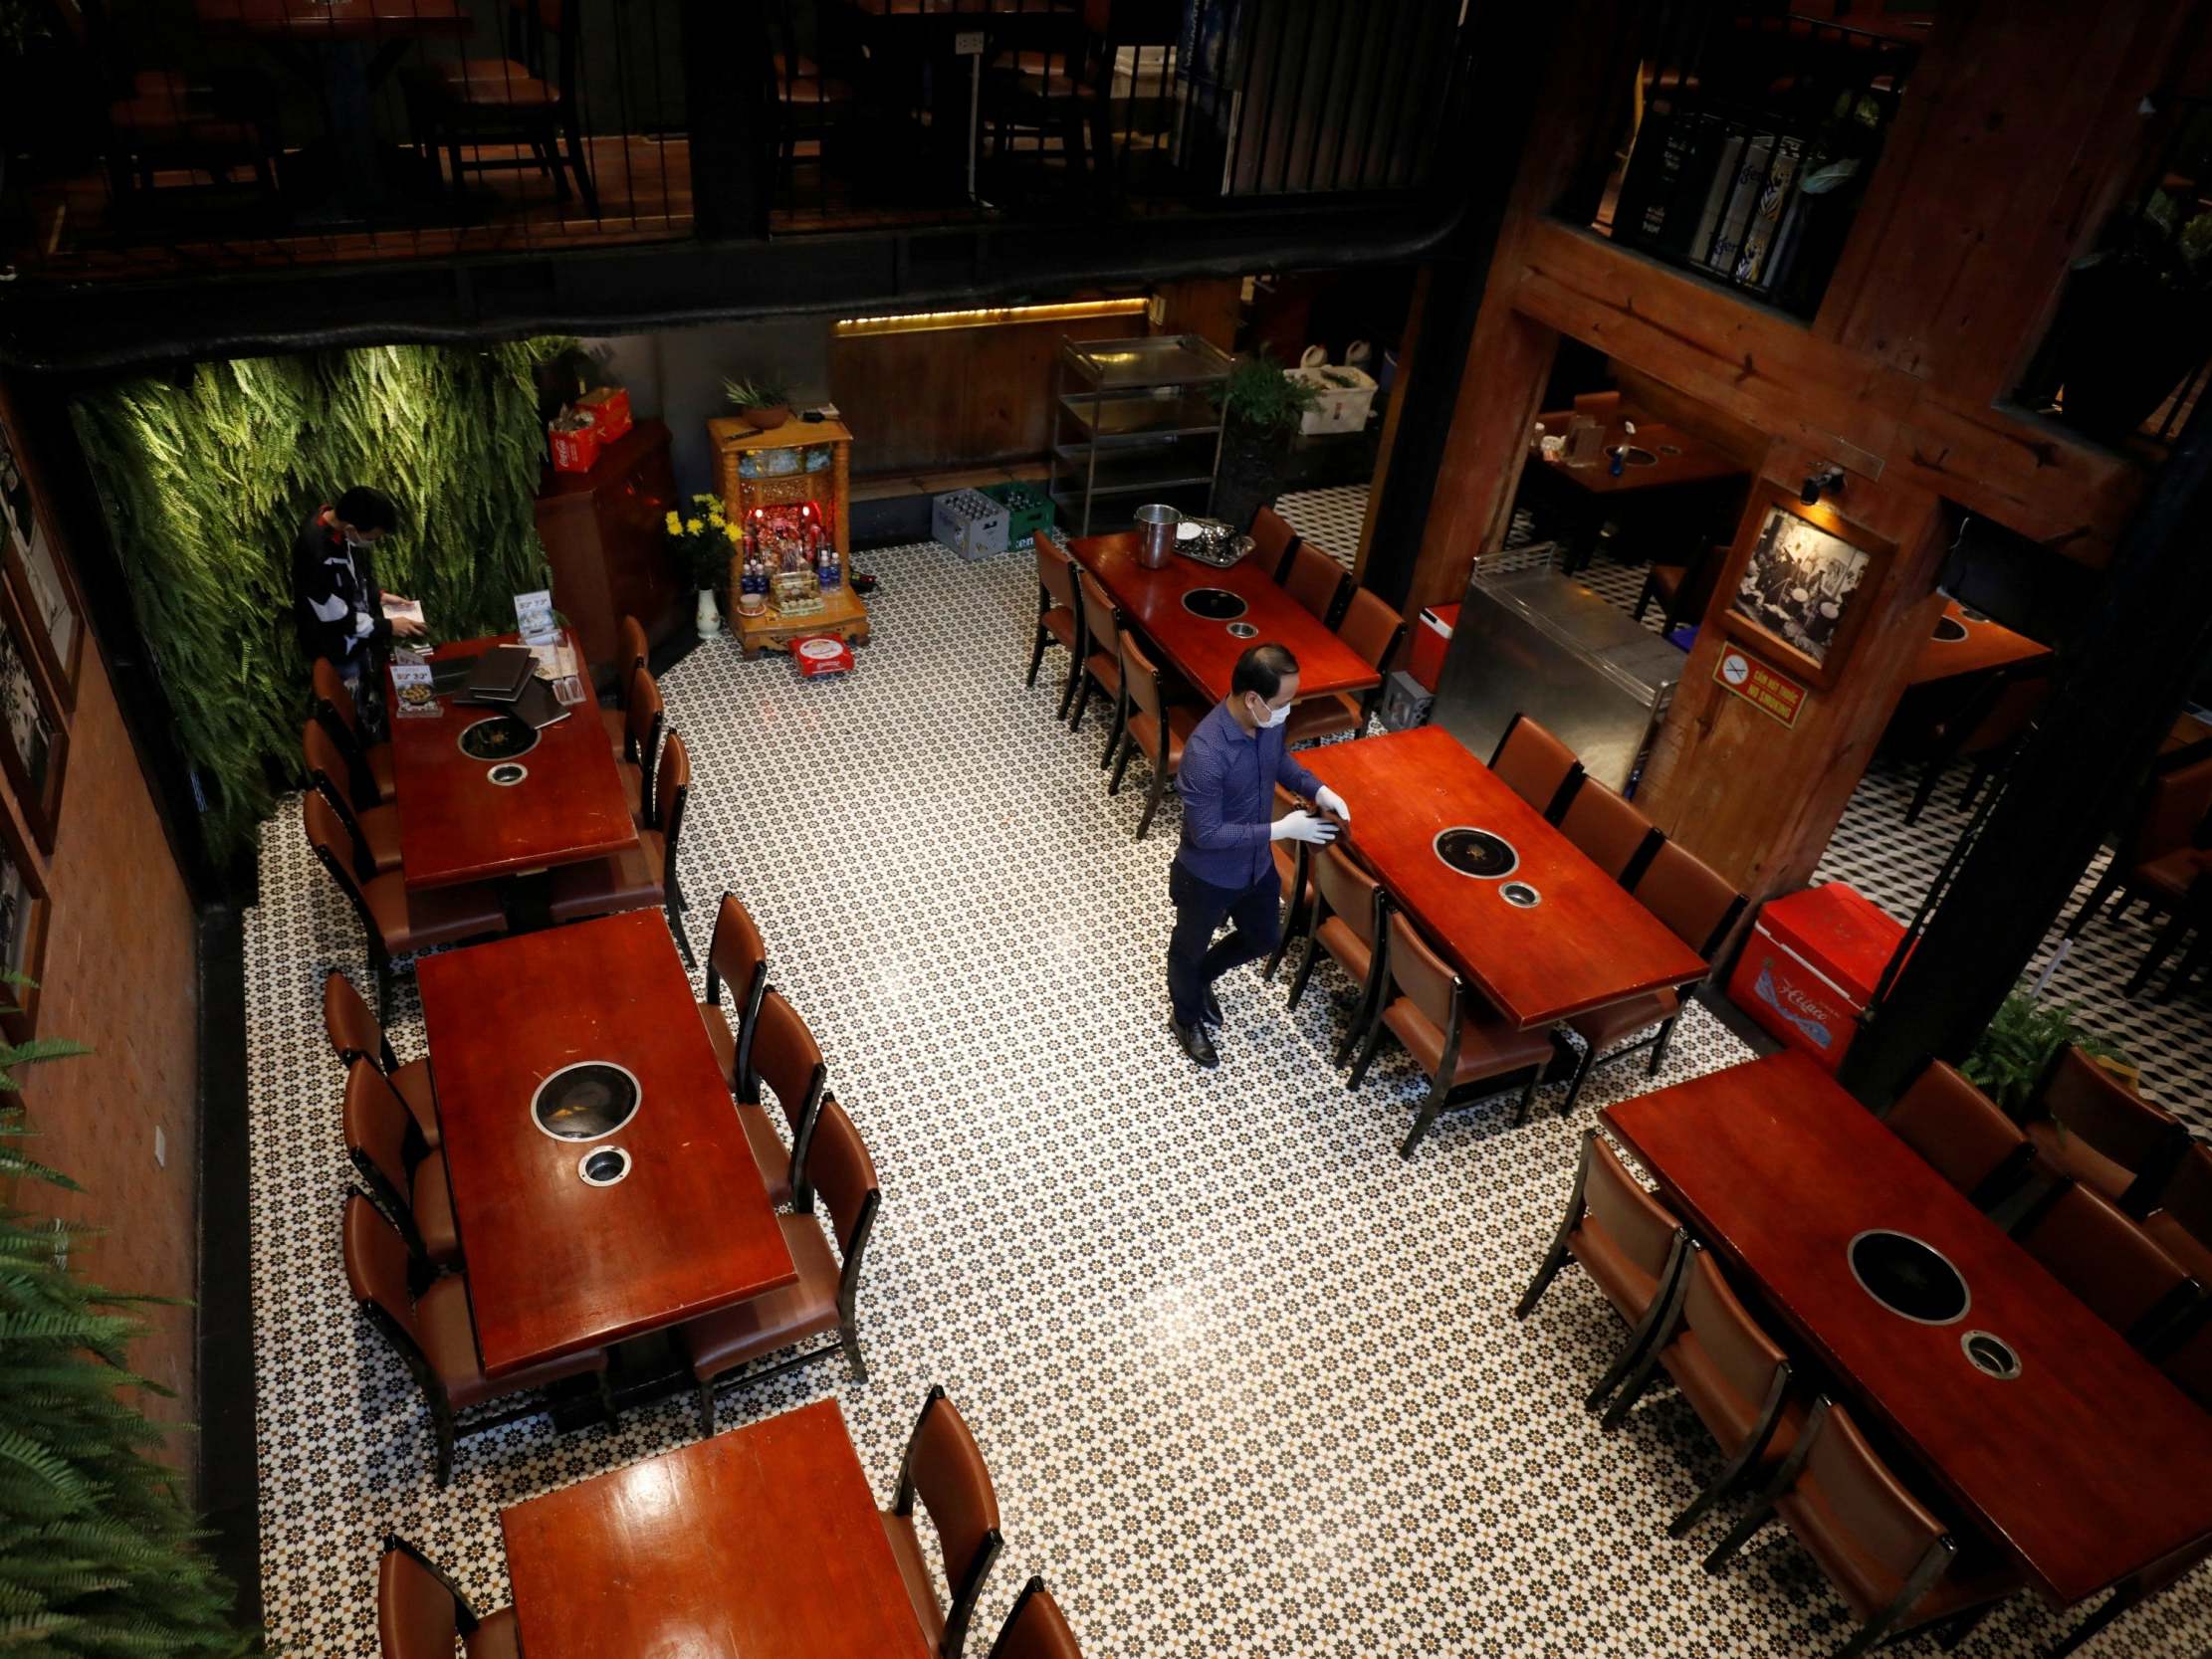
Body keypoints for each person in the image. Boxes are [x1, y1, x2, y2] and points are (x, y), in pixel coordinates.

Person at [1166, 643, 1350, 1069]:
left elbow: (1278, 761)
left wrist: (1317, 788)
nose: (1288, 710)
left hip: (1255, 867)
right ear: (1253, 699)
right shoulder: (1206, 753)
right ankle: (1186, 1016)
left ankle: (1199, 981)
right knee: (1187, 950)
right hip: (1207, 876)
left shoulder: (1266, 725)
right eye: (1283, 703)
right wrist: (1282, 829)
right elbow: (1207, 834)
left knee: (1263, 936)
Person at [291, 486, 425, 704]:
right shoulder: (315, 555)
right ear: (352, 528)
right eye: (371, 537)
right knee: (352, 703)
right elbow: (336, 619)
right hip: (338, 649)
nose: (372, 542)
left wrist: (378, 596)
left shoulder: (336, 528)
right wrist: (390, 626)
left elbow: (350, 580)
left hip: (356, 638)